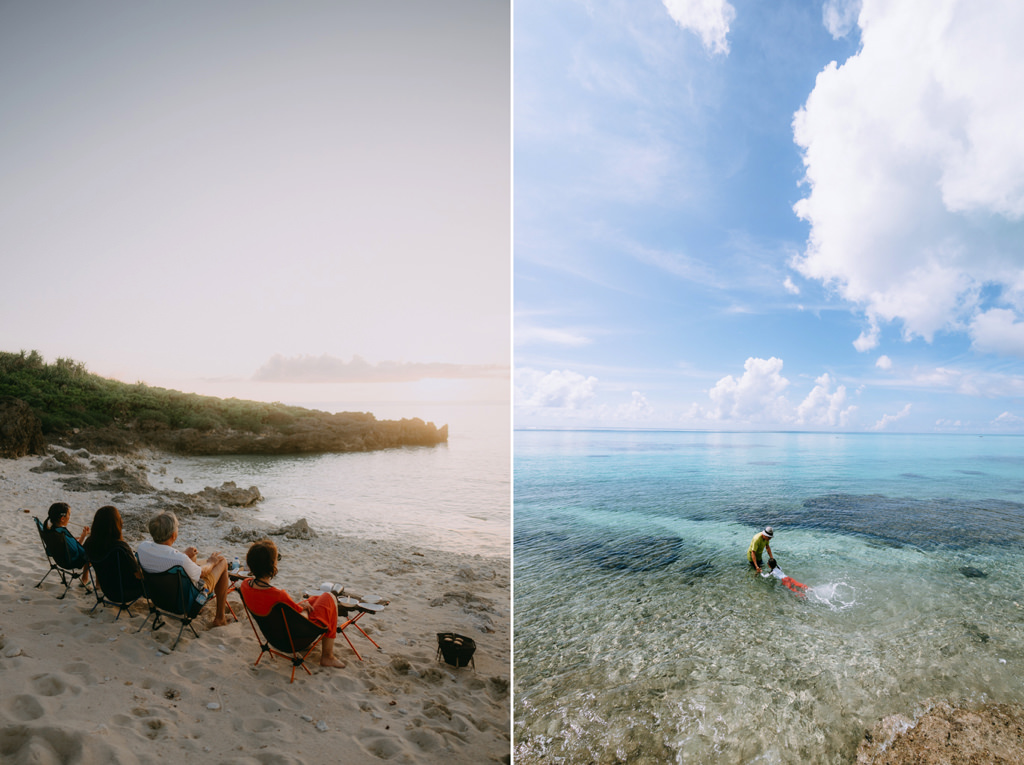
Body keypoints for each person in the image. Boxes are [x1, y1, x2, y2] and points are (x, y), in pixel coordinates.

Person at [239, 538, 347, 669]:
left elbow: (285, 608)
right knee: (329, 596)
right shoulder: (278, 595)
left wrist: (303, 606)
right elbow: (303, 617)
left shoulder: (245, 585)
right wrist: (305, 610)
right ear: (272, 565)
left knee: (313, 600)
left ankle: (312, 607)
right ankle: (327, 656)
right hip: (295, 639)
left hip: (275, 637)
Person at [137, 511, 230, 627]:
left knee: (192, 557)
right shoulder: (180, 560)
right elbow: (202, 572)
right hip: (183, 605)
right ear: (173, 535)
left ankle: (202, 609)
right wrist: (211, 562)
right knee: (222, 562)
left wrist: (185, 554)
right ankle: (220, 618)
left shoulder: (142, 548)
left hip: (159, 599)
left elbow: (167, 558)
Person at [83, 505, 142, 579]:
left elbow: (82, 560)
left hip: (107, 588)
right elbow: (139, 575)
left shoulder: (90, 543)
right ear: (116, 524)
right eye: (120, 519)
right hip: (127, 588)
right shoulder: (120, 548)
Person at [43, 501, 90, 586]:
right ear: (62, 518)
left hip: (59, 560)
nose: (69, 517)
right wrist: (83, 536)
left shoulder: (51, 532)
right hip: (71, 562)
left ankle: (86, 579)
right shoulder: (63, 534)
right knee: (92, 544)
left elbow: (53, 549)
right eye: (69, 514)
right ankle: (87, 580)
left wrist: (71, 541)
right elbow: (77, 552)